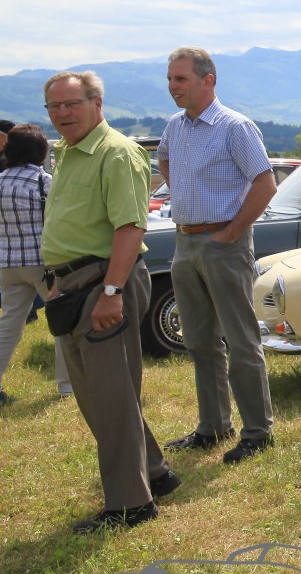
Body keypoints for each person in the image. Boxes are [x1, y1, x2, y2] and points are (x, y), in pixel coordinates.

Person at [41, 72, 178, 532]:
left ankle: (130, 505)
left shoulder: (116, 152)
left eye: (72, 103)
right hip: (74, 284)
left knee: (109, 397)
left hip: (103, 283)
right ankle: (154, 473)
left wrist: (112, 292)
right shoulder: (68, 151)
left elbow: (130, 228)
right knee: (101, 394)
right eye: (54, 106)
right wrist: (58, 280)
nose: (63, 113)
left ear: (96, 103)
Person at [159, 47, 277, 464]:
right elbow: (165, 161)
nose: (172, 87)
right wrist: (186, 200)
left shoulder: (234, 127)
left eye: (180, 79)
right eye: (170, 79)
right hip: (186, 241)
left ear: (208, 80)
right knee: (198, 340)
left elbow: (266, 184)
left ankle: (258, 432)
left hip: (224, 243)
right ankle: (213, 427)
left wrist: (231, 231)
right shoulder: (175, 126)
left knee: (240, 339)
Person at [0, 125, 71, 402]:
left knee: (9, 326)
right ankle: (66, 386)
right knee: (62, 323)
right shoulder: (44, 181)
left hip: (7, 264)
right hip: (43, 265)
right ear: (41, 152)